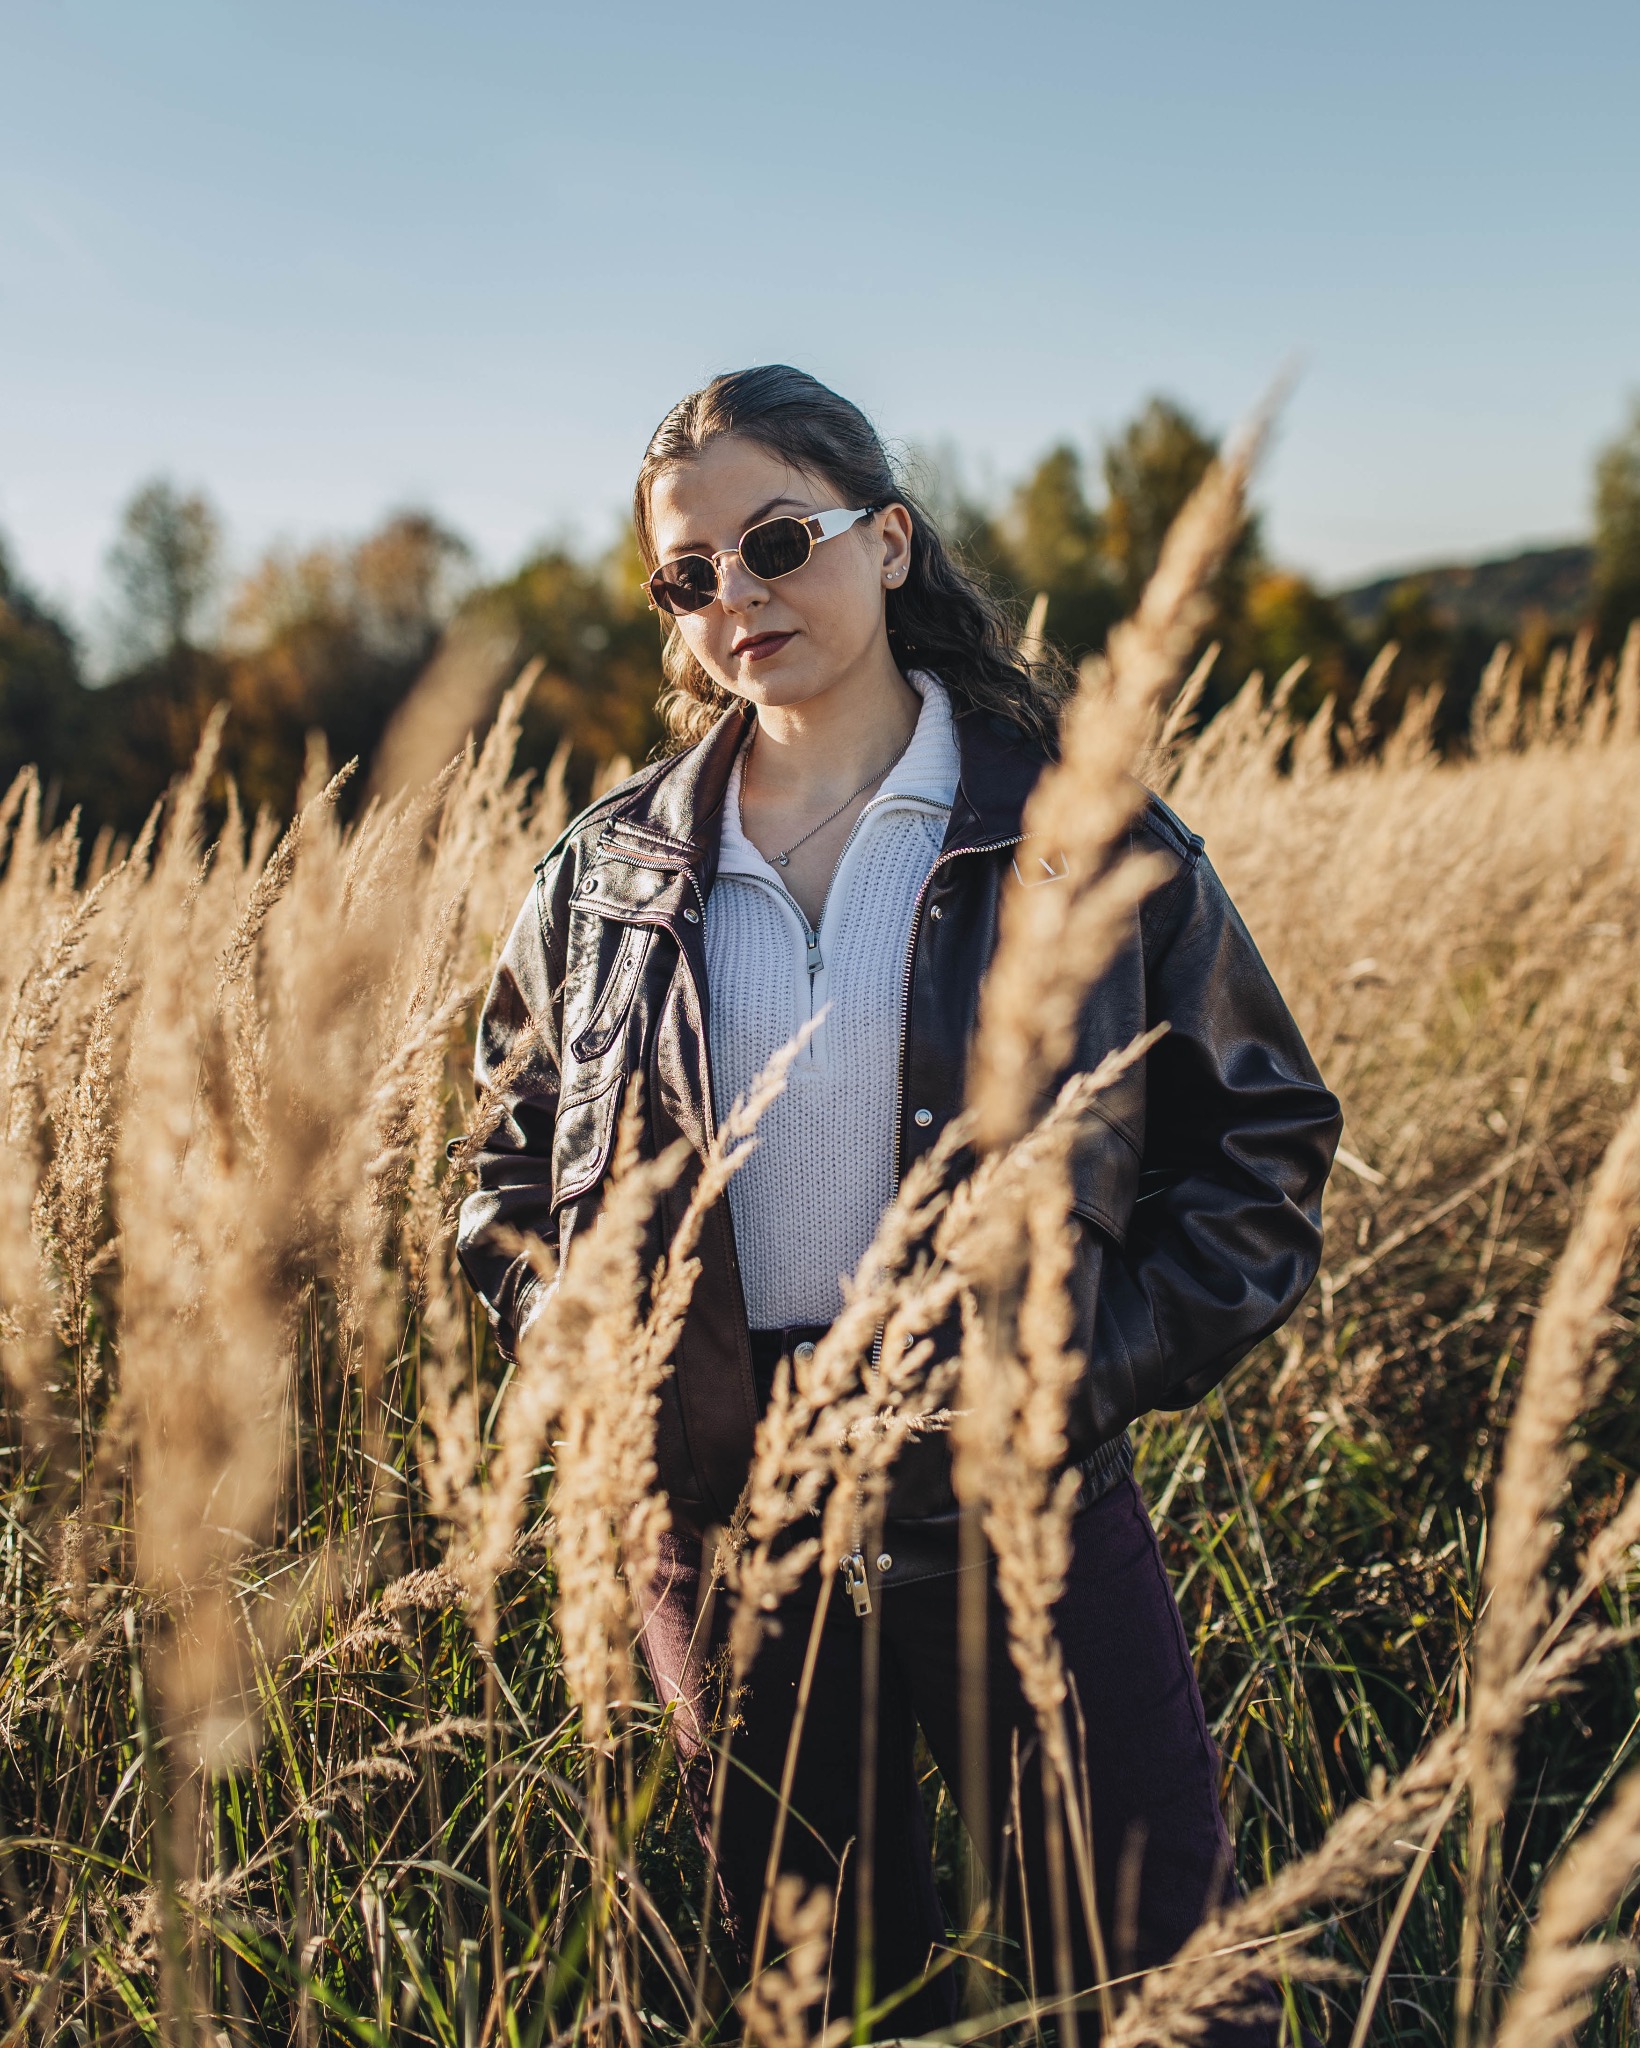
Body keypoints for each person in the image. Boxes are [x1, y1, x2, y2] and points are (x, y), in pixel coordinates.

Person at [457, 365, 1341, 2039]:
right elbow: (500, 1173)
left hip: (1020, 1501)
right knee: (820, 2003)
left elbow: (1263, 1138)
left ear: (891, 539)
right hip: (724, 1528)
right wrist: (573, 1332)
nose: (739, 597)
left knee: (1153, 1982)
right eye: (689, 574)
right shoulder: (611, 873)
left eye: (777, 540)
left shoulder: (1066, 827)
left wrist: (1087, 1367)